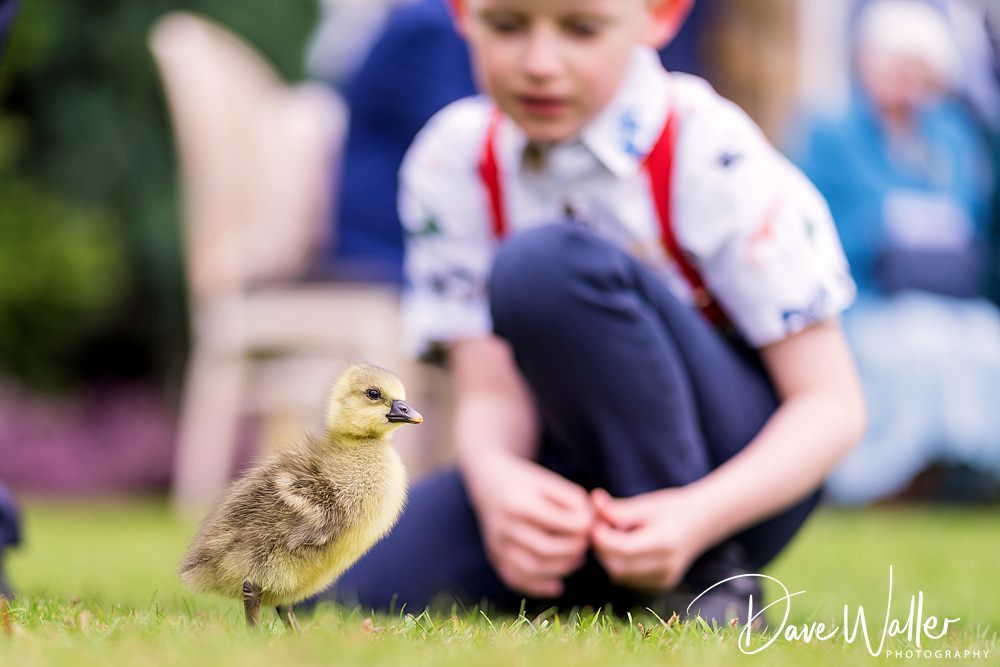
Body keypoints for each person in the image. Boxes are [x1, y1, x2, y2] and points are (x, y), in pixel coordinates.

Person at [316, 0, 865, 625]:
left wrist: (693, 517)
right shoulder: (454, 161)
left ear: (658, 17)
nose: (540, 64)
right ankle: (609, 581)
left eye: (580, 28)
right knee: (345, 585)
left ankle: (703, 585)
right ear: (463, 14)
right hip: (567, 466)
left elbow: (832, 406)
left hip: (729, 478)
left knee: (544, 266)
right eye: (507, 25)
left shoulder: (710, 150)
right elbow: (490, 393)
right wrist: (501, 487)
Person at [792, 0, 1000, 504]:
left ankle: (967, 465)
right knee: (914, 345)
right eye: (897, 70)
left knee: (983, 342)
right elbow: (805, 221)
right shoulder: (830, 129)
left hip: (945, 295)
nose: (907, 86)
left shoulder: (949, 135)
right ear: (869, 65)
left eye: (919, 74)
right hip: (865, 295)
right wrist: (883, 232)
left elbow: (971, 217)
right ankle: (891, 477)